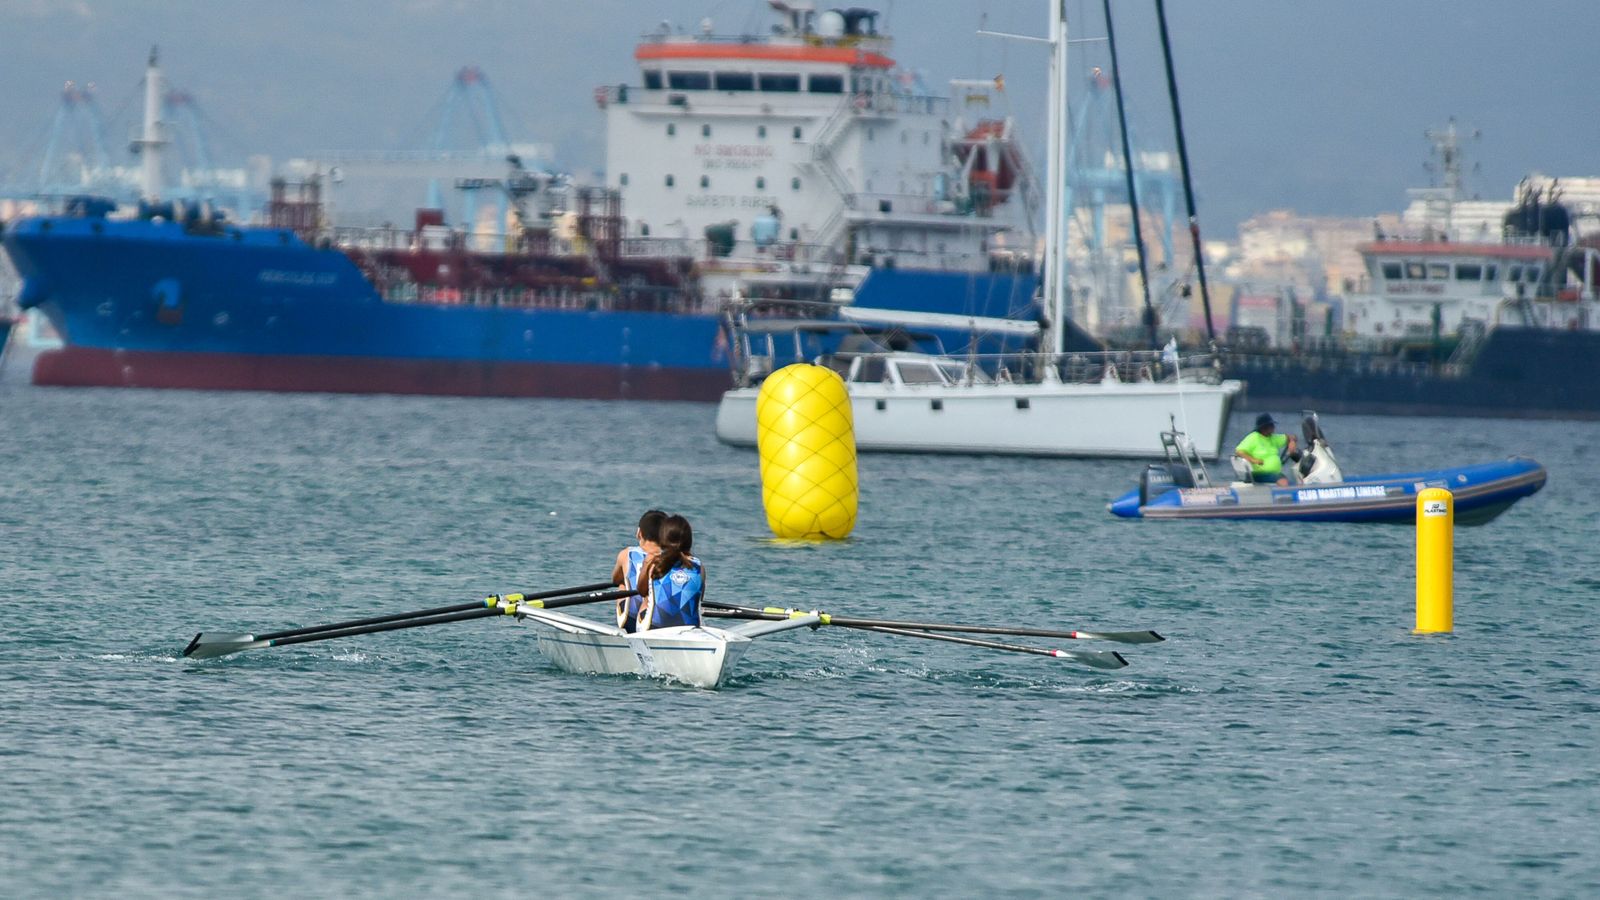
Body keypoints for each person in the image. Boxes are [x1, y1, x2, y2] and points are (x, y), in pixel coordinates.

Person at [634, 514, 704, 631]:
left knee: (646, 599)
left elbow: (641, 591)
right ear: (689, 541)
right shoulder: (699, 566)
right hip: (691, 630)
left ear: (662, 539)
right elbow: (699, 598)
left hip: (654, 629)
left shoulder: (651, 561)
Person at [612, 509, 665, 632]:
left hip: (632, 620)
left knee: (622, 584)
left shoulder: (626, 554)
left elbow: (615, 579)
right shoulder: (672, 558)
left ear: (639, 533)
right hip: (660, 620)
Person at [1234, 413, 1298, 486]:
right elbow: (1239, 451)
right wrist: (1253, 460)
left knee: (1294, 484)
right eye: (1271, 425)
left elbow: (1291, 437)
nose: (1274, 427)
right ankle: (1285, 496)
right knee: (1282, 479)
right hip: (1259, 474)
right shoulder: (1253, 437)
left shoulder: (1273, 437)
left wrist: (1292, 441)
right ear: (1263, 427)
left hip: (1273, 474)